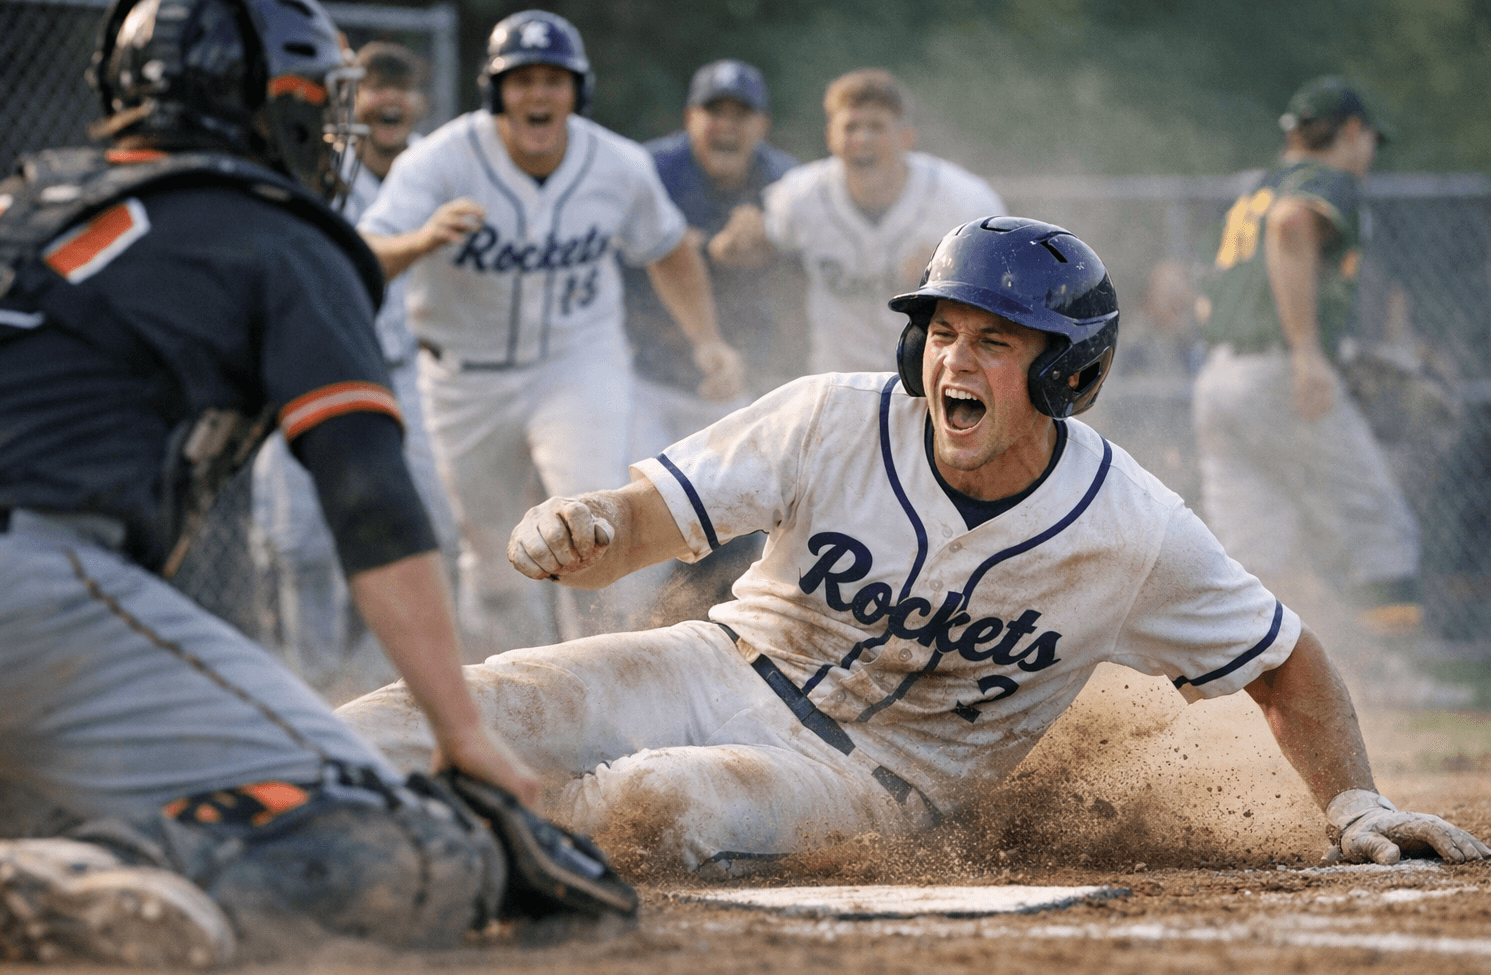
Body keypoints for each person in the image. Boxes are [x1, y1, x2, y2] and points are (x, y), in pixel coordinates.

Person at [339, 216, 1488, 878]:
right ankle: (258, 791)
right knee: (470, 706)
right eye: (941, 332)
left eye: (996, 342)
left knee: (653, 803)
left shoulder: (1130, 527)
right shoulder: (834, 414)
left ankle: (425, 871)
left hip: (865, 779)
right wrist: (583, 522)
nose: (954, 362)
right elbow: (637, 529)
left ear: (1064, 372)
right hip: (711, 660)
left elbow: (1286, 661)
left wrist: (1353, 805)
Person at [0, 0, 579, 965]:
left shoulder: (0, 208)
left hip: (5, 625)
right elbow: (369, 496)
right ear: (269, 104)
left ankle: (27, 855)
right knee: (408, 845)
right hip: (12, 597)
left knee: (28, 799)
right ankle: (110, 878)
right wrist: (462, 732)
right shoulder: (276, 230)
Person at [357, 11, 745, 661]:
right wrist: (422, 240)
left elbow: (669, 246)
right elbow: (364, 253)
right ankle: (510, 701)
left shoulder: (613, 162)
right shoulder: (442, 160)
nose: (539, 95)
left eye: (554, 80)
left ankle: (591, 683)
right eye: (522, 79)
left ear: (577, 90)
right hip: (464, 377)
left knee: (584, 522)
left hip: (576, 363)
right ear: (495, 90)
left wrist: (707, 339)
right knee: (489, 562)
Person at [250, 41, 458, 697]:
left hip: (409, 374)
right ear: (351, 100)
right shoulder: (312, 163)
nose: (387, 99)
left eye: (402, 86)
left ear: (420, 101)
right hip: (307, 370)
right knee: (301, 547)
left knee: (440, 534)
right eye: (373, 86)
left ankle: (376, 685)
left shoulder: (440, 168)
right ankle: (307, 685)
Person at [1193, 77, 1421, 635]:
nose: (1368, 154)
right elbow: (1292, 224)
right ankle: (1395, 675)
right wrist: (1308, 356)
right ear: (1350, 131)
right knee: (1379, 523)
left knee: (1252, 553)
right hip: (1279, 374)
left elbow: (1209, 299)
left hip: (1218, 381)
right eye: (1368, 139)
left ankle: (1244, 694)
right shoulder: (1324, 180)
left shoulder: (1254, 192)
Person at [623, 59, 805, 625]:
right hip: (639, 376)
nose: (726, 126)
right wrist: (702, 246)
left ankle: (694, 645)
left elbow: (811, 266)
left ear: (762, 125)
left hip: (739, 383)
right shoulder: (648, 170)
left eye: (741, 114)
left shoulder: (787, 185)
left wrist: (772, 238)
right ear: (689, 119)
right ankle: (608, 643)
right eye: (713, 112)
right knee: (631, 522)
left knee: (733, 532)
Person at [711, 67, 1005, 374]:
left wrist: (953, 272)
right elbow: (747, 250)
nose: (863, 139)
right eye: (851, 127)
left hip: (931, 380)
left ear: (905, 137)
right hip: (838, 382)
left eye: (877, 127)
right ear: (830, 137)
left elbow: (1005, 278)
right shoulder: (799, 196)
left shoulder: (962, 199)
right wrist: (735, 240)